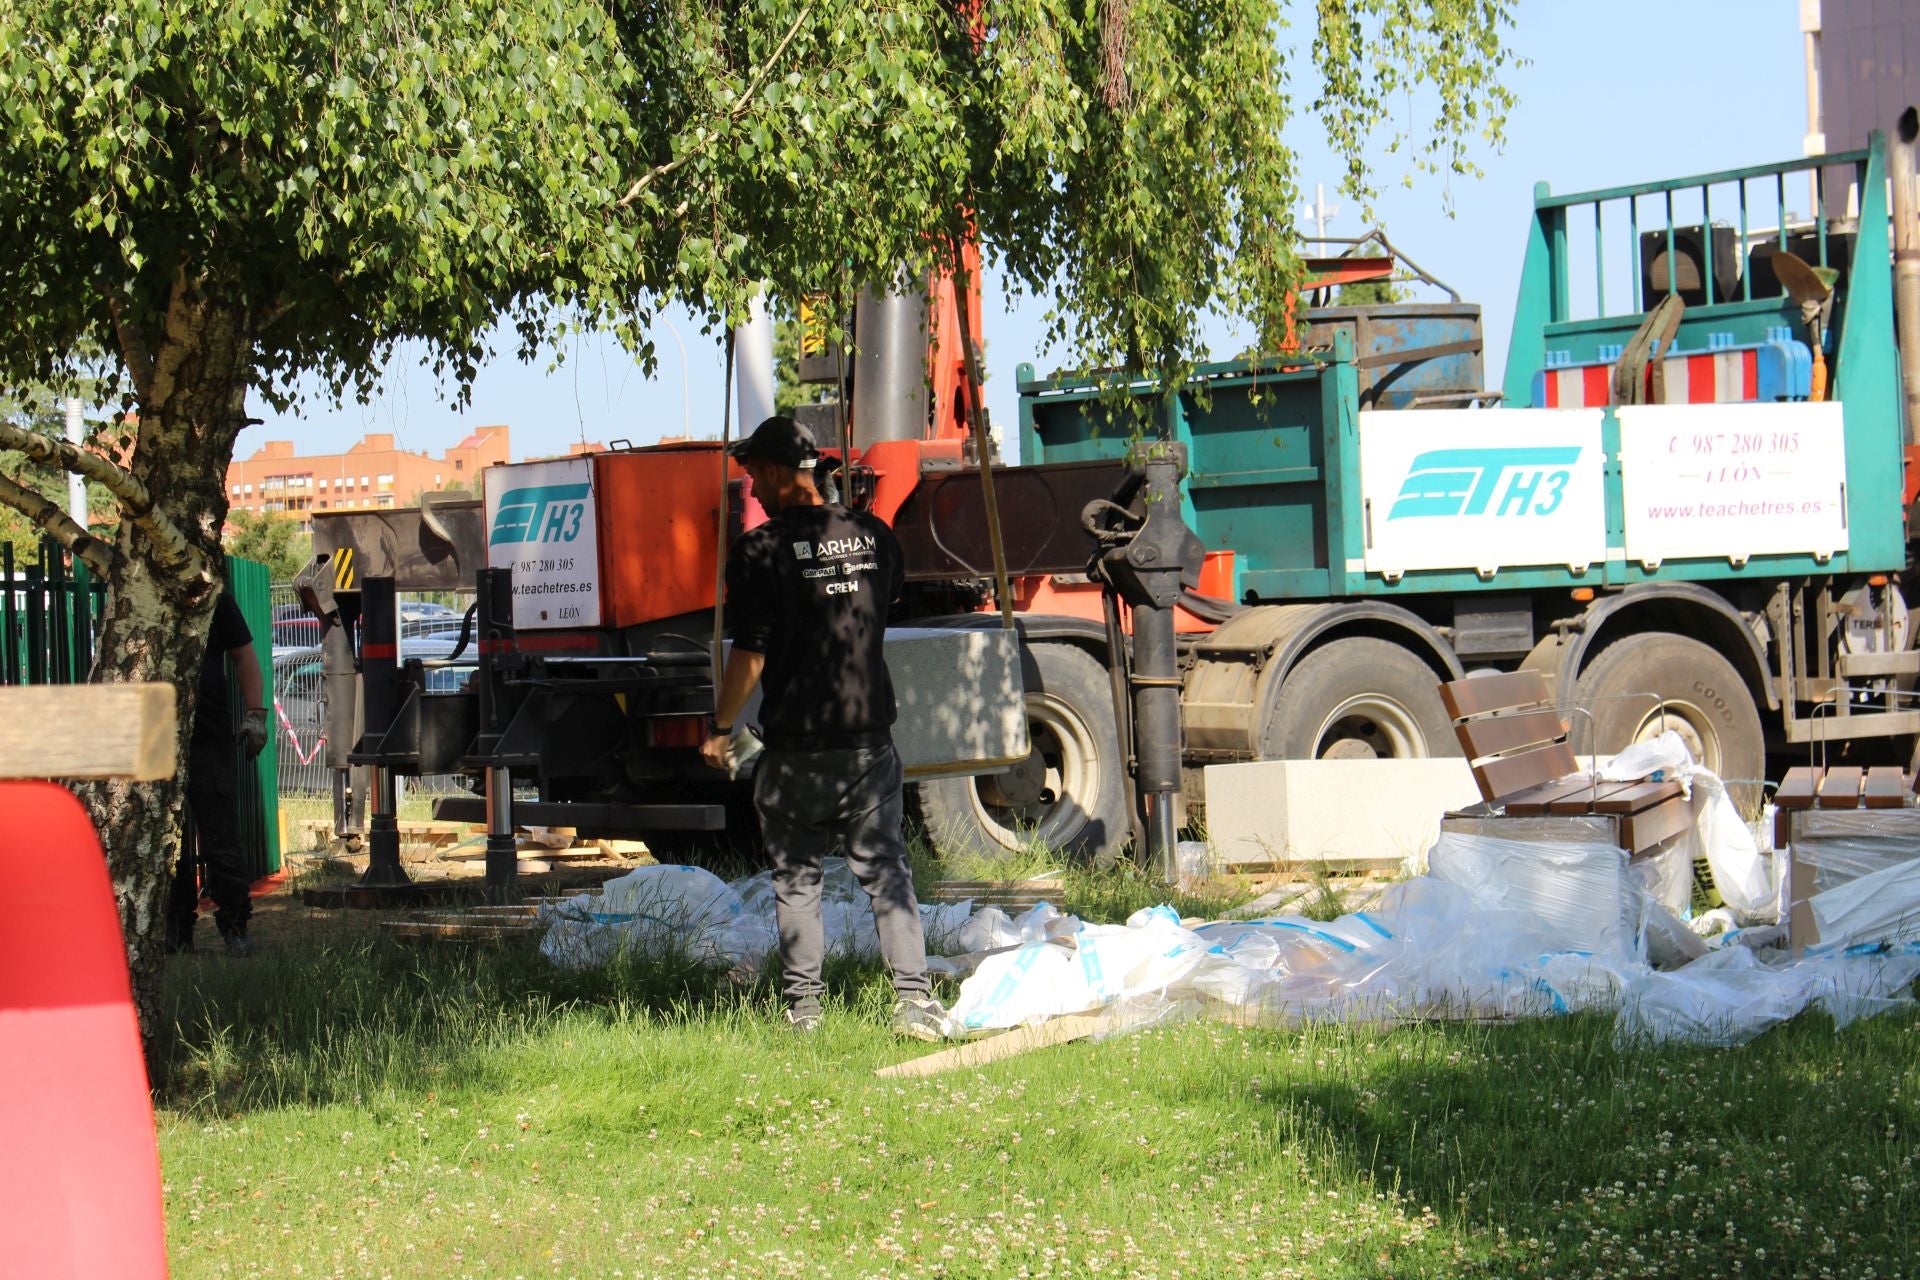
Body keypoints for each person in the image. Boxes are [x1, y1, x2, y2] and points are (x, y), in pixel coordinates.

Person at [702, 415, 950, 1040]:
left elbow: (750, 651)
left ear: (784, 474)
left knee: (797, 878)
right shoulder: (875, 536)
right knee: (887, 871)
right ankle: (914, 1001)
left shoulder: (758, 552)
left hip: (796, 748)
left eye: (757, 474)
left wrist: (722, 724)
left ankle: (805, 1012)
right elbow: (880, 600)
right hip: (869, 743)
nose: (752, 490)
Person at [166, 584, 269, 958]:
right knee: (166, 842)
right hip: (156, 738)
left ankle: (236, 928)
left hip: (208, 736)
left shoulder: (211, 593)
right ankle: (175, 932)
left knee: (221, 838)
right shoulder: (140, 589)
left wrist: (256, 713)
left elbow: (244, 655)